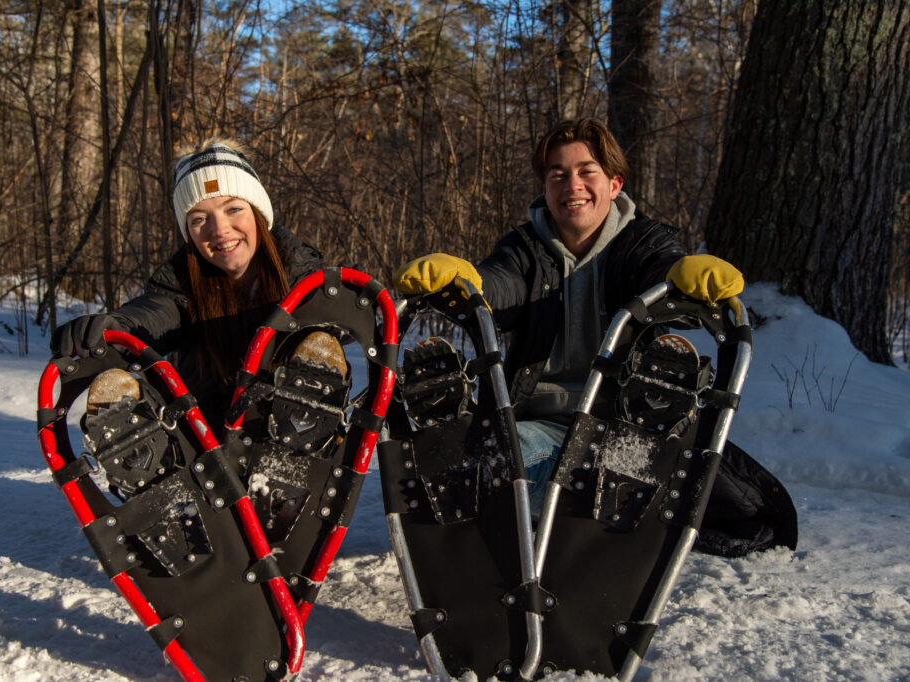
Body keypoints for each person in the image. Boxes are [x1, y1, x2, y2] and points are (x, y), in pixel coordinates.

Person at [393, 118, 796, 555]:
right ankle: (474, 454)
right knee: (498, 463)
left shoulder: (644, 242)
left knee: (567, 470)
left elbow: (659, 271)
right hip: (541, 424)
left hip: (626, 420)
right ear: (545, 188)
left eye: (587, 171)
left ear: (615, 183)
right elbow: (501, 284)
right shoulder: (525, 248)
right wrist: (469, 282)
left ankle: (602, 485)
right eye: (557, 174)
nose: (573, 185)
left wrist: (679, 278)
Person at [51, 137, 325, 421]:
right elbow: (156, 313)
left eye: (233, 209)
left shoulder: (300, 274)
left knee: (318, 342)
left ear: (257, 212)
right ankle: (130, 432)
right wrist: (119, 327)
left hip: (294, 434)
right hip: (209, 445)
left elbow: (338, 306)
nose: (219, 230)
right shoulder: (182, 285)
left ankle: (311, 411)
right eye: (199, 219)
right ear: (189, 233)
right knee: (151, 384)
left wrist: (359, 302)